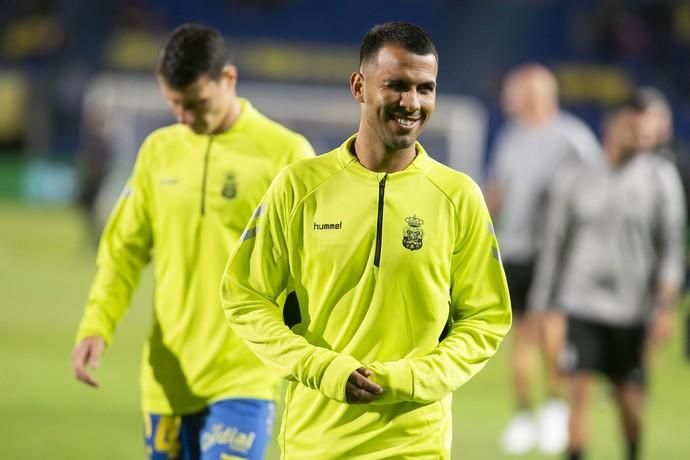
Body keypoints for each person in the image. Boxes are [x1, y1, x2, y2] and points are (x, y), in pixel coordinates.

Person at [220, 22, 512, 459]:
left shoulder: (458, 197)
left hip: (415, 445)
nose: (411, 103)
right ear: (359, 86)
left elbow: (486, 318)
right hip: (315, 444)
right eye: (395, 85)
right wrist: (320, 367)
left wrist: (412, 378)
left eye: (425, 88)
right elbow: (244, 297)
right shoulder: (300, 187)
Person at [71, 23, 315, 460]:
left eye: (196, 104)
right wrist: (97, 325)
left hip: (247, 371)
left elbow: (318, 263)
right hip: (168, 376)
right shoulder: (158, 151)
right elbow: (123, 252)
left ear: (229, 80)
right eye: (174, 105)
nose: (185, 117)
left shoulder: (287, 155)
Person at [529, 105, 686, 460]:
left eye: (648, 132)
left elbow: (670, 250)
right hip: (580, 305)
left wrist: (664, 306)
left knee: (629, 398)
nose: (643, 138)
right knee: (578, 391)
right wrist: (543, 306)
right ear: (612, 128)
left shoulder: (660, 177)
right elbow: (555, 246)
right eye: (635, 130)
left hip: (633, 312)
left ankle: (632, 453)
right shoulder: (576, 177)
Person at [485, 63, 601, 455]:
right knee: (519, 335)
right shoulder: (511, 138)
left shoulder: (572, 139)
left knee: (551, 330)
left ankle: (554, 409)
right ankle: (523, 416)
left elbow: (597, 195)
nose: (507, 99)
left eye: (515, 91)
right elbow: (497, 192)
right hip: (515, 251)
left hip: (557, 253)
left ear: (536, 94)